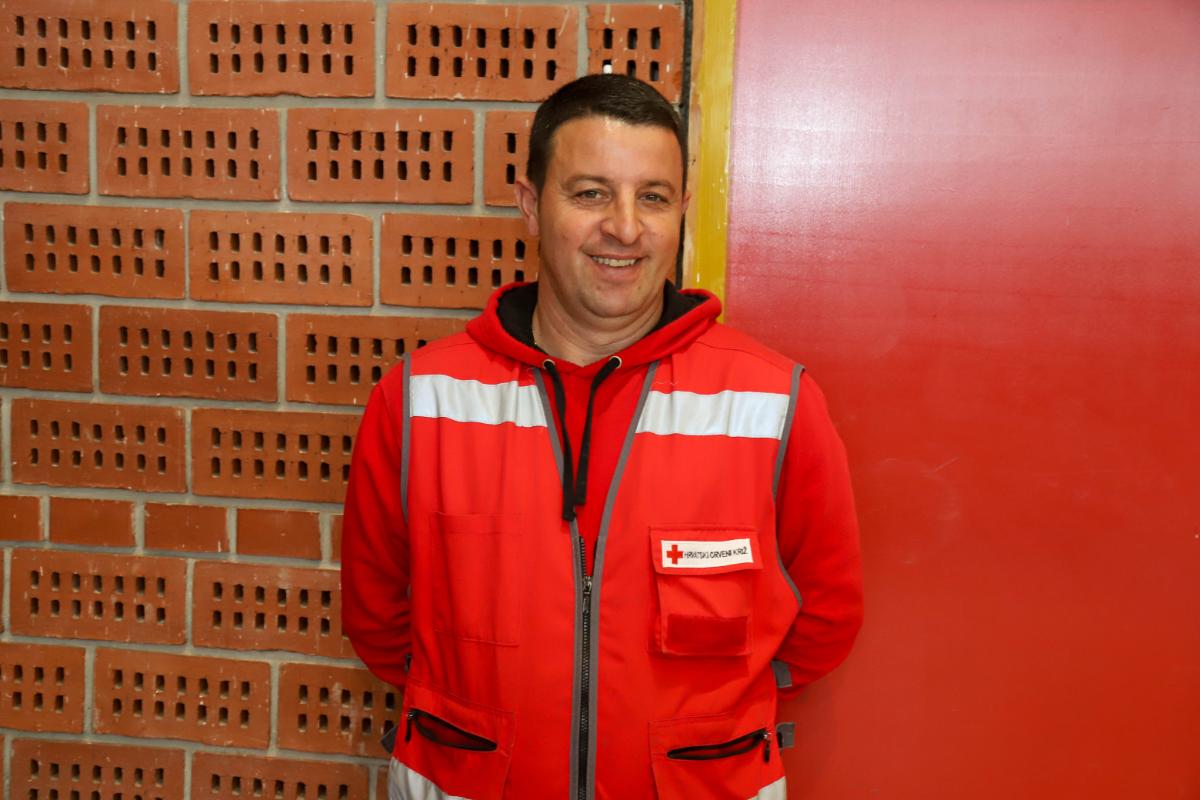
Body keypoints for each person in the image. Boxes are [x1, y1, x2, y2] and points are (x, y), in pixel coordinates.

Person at [341, 74, 864, 800]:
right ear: (531, 205)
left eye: (653, 197)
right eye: (591, 193)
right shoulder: (419, 400)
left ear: (681, 210)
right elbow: (378, 617)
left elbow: (826, 615)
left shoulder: (774, 401)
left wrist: (716, 722)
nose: (624, 227)